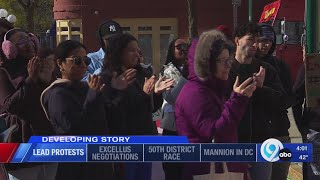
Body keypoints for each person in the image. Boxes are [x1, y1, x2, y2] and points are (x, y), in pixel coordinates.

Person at [175, 30, 257, 180]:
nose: (228, 66)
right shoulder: (195, 93)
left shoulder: (212, 89)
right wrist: (238, 101)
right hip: (205, 170)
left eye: (229, 61)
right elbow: (214, 132)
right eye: (222, 61)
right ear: (207, 62)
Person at [100, 33, 174, 180]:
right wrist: (143, 94)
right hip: (125, 143)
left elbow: (150, 109)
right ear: (119, 52)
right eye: (131, 50)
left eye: (138, 49)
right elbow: (114, 112)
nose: (137, 54)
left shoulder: (141, 74)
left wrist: (156, 94)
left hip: (144, 139)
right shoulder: (109, 78)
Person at [41, 40, 117, 180]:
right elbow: (71, 128)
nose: (83, 65)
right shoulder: (58, 94)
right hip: (76, 166)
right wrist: (93, 98)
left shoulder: (86, 87)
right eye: (77, 60)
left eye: (86, 60)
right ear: (60, 63)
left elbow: (105, 120)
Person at [229, 23, 285, 180]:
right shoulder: (226, 69)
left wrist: (260, 89)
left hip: (262, 145)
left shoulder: (266, 69)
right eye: (250, 39)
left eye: (257, 40)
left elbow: (282, 101)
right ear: (237, 41)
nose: (255, 44)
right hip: (232, 145)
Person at [256, 24, 295, 180]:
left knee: (280, 175)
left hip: (280, 132)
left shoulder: (281, 66)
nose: (266, 45)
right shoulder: (247, 65)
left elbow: (289, 97)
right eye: (262, 40)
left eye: (269, 41)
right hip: (257, 135)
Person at [160, 38, 189, 180]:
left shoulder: (197, 69)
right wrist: (185, 77)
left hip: (191, 127)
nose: (183, 49)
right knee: (173, 171)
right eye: (179, 46)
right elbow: (172, 98)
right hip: (172, 129)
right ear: (172, 50)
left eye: (186, 46)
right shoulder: (167, 71)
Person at [292, 46, 320, 180]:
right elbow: (296, 97)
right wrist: (302, 126)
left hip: (312, 129)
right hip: (314, 130)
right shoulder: (311, 66)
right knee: (313, 173)